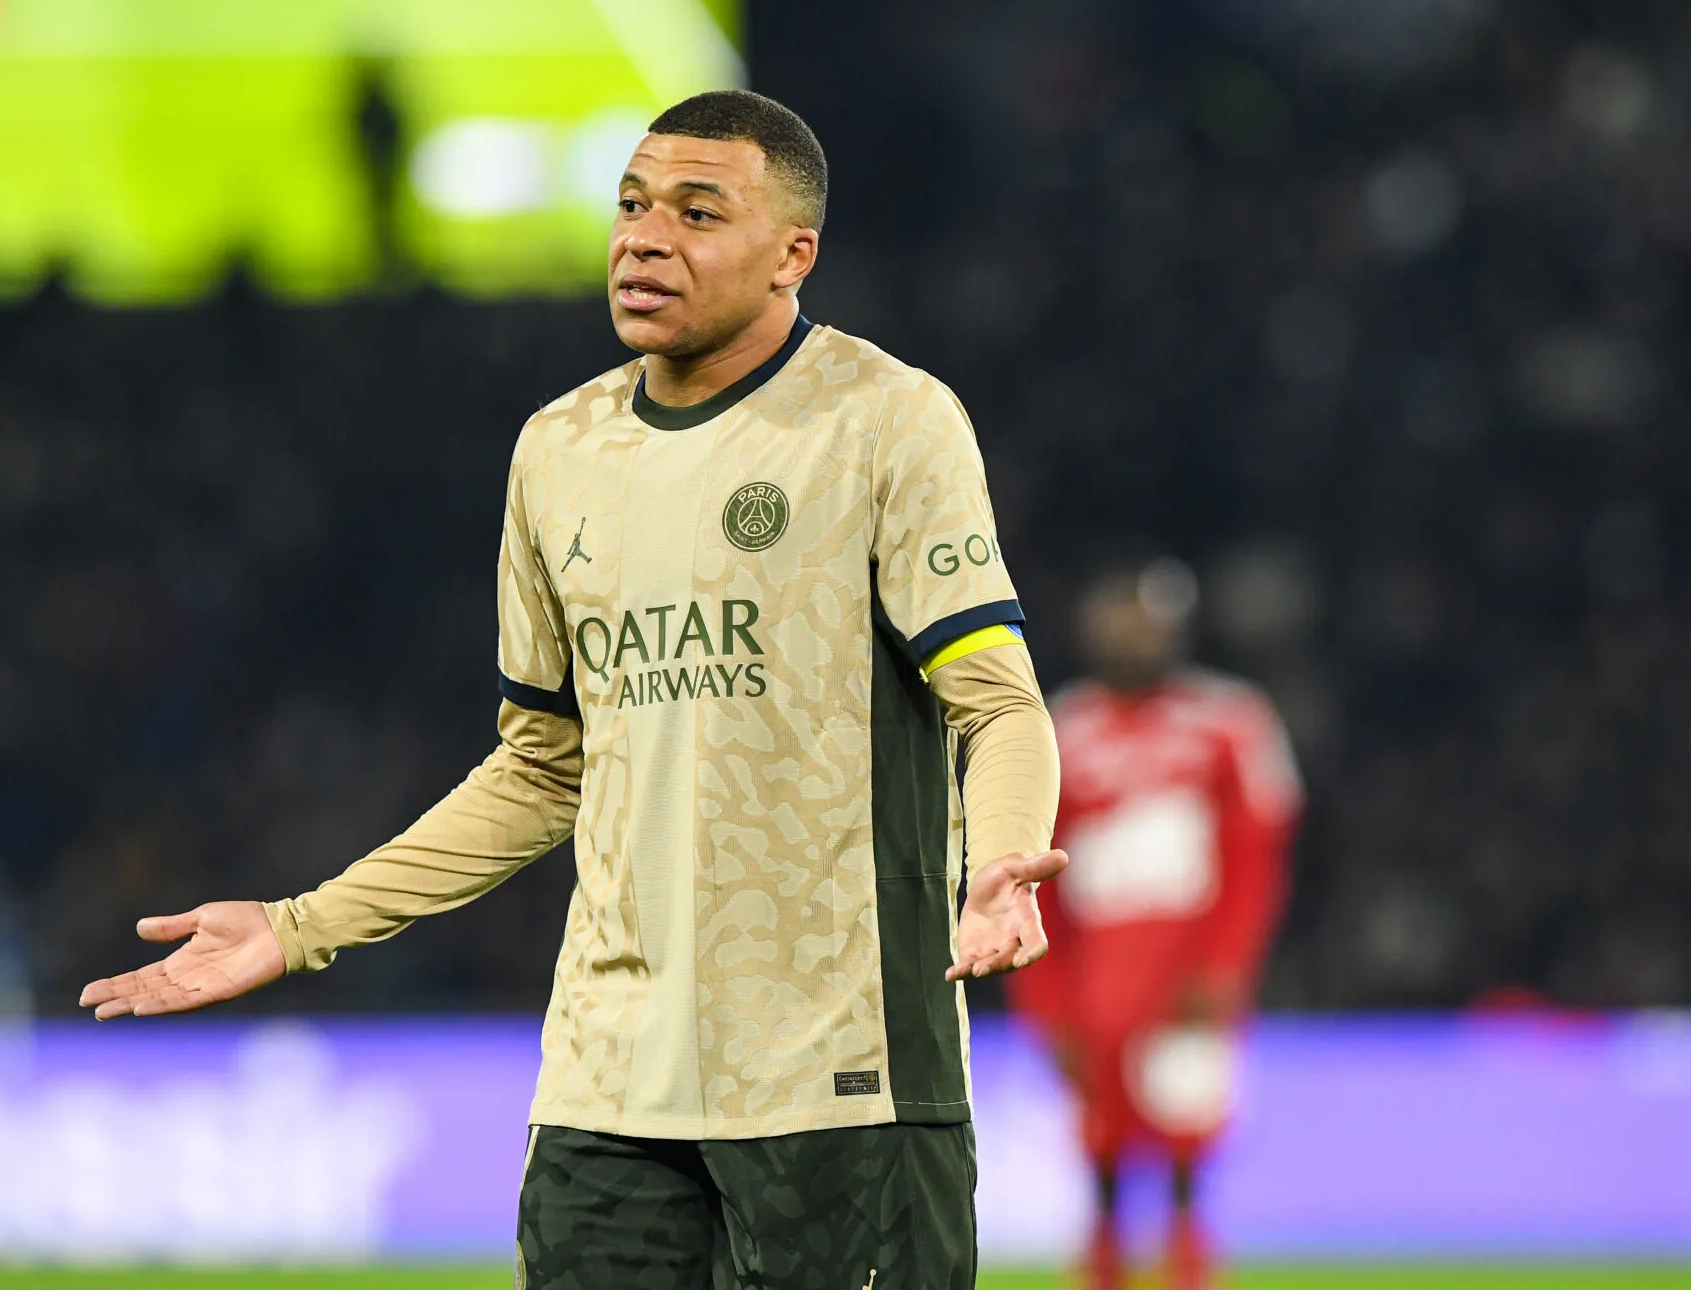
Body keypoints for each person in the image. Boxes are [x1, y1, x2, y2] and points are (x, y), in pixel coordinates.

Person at [79, 89, 1065, 1288]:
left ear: (791, 256)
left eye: (698, 213)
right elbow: (546, 763)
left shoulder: (884, 421)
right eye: (632, 204)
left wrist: (1001, 857)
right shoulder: (558, 450)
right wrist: (301, 926)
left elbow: (998, 705)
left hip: (840, 1077)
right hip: (607, 1087)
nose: (645, 238)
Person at [1006, 556, 1302, 1290]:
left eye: (1147, 619)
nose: (1134, 634)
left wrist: (1226, 967)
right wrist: (1044, 1001)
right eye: (1119, 618)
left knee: (1187, 1109)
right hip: (1098, 968)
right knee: (1100, 1121)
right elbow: (1028, 877)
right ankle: (1105, 1247)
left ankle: (1185, 1248)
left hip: (1186, 967)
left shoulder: (1229, 721)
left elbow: (1255, 856)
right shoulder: (1059, 730)